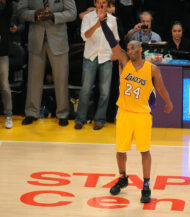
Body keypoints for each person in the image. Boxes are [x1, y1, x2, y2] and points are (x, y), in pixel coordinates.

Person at [97, 7, 173, 203]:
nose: (129, 51)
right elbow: (112, 42)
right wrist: (103, 22)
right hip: (123, 113)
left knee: (144, 151)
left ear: (140, 49)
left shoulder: (152, 69)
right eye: (128, 48)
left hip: (141, 115)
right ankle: (123, 178)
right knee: (120, 150)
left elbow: (162, 88)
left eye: (132, 48)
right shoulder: (123, 61)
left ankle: (146, 185)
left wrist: (168, 103)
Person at [18, 0, 77, 126]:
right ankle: (31, 112)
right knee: (34, 80)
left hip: (58, 40)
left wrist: (54, 16)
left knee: (61, 79)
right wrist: (34, 14)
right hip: (36, 40)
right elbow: (20, 11)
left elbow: (72, 13)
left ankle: (62, 113)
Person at [74, 0, 119, 130]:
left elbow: (116, 39)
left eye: (104, 2)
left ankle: (99, 119)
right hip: (90, 56)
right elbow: (85, 36)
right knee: (86, 89)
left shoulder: (112, 20)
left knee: (105, 91)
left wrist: (115, 54)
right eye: (99, 2)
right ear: (94, 3)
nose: (101, 5)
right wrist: (98, 24)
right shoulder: (88, 18)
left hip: (106, 57)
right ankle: (80, 119)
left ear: (107, 4)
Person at [0, 0, 13, 129]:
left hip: (2, 52)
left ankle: (8, 115)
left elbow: (8, 10)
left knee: (4, 85)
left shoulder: (6, 7)